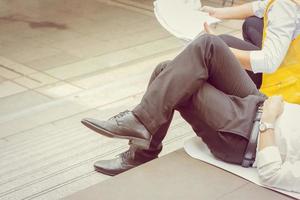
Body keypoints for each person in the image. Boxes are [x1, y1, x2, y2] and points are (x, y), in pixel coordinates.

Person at [81, 33, 300, 193]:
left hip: (248, 134)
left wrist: (268, 121)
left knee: (165, 72)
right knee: (209, 44)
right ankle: (141, 130)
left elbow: (274, 175)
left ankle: (140, 144)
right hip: (260, 103)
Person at [202, 0, 300, 103]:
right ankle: (253, 74)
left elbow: (268, 62)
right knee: (252, 23)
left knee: (223, 42)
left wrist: (219, 49)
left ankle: (251, 91)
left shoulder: (285, 6)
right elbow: (258, 7)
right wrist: (215, 12)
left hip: (289, 82)